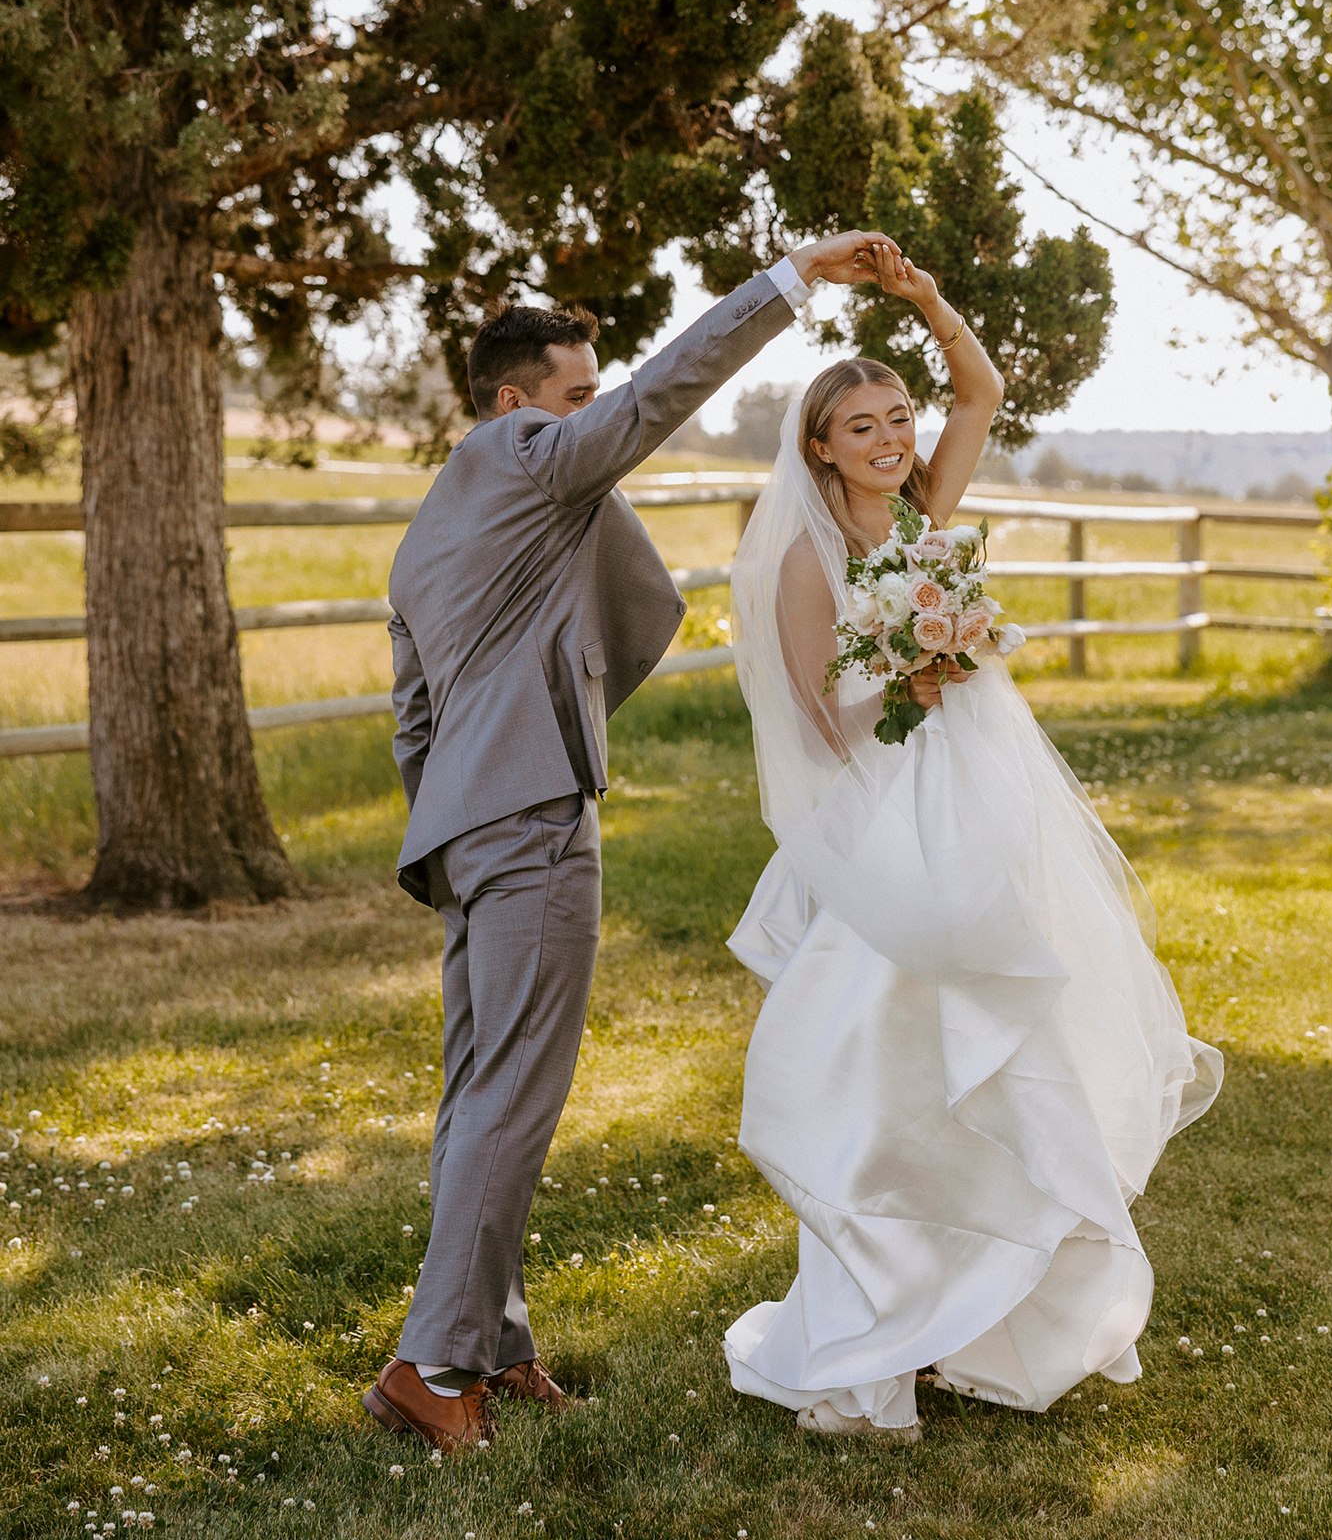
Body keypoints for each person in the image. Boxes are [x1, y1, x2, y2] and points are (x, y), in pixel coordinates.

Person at [362, 229, 900, 1453]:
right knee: (515, 1090)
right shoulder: (522, 455)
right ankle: (429, 1367)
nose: (591, 418)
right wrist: (793, 280)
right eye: (575, 397)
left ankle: (493, 1341)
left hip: (465, 827)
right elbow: (661, 394)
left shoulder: (428, 528)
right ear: (515, 407)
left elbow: (413, 717)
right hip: (532, 822)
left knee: (479, 1087)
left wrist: (452, 818)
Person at [723, 243, 1222, 1440]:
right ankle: (874, 1338)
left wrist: (925, 301)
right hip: (882, 820)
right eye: (862, 425)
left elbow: (982, 391)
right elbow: (823, 723)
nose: (892, 437)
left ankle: (983, 1319)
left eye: (899, 416)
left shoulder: (923, 515)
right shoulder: (808, 560)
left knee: (1009, 1041)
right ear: (820, 448)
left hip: (975, 801)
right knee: (882, 1060)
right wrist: (913, 671)